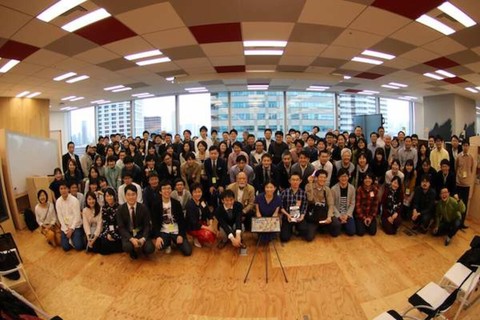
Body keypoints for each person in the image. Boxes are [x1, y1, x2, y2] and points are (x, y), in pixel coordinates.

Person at [151, 181, 192, 256]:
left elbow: (182, 221)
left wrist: (181, 234)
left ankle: (174, 241)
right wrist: (158, 237)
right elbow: (155, 223)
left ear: (171, 190)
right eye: (164, 189)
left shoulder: (176, 203)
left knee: (187, 251)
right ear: (160, 191)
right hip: (164, 231)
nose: (166, 191)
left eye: (169, 188)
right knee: (160, 247)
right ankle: (168, 243)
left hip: (176, 231)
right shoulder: (156, 205)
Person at [116, 184, 155, 259]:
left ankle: (143, 248)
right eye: (128, 195)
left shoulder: (143, 208)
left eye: (133, 194)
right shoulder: (120, 209)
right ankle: (132, 250)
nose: (131, 197)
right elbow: (121, 228)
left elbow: (147, 225)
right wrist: (131, 239)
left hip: (141, 232)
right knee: (127, 247)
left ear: (137, 195)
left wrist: (143, 238)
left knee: (150, 249)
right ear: (125, 196)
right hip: (129, 233)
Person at [305, 170, 336, 240]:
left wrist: (329, 217)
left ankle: (321, 227)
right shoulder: (308, 186)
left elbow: (331, 204)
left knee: (336, 228)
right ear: (316, 178)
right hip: (313, 215)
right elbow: (310, 199)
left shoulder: (327, 189)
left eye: (324, 177)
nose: (323, 179)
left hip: (323, 214)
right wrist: (310, 183)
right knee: (309, 237)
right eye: (321, 177)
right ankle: (317, 227)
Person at [56, 181, 85, 251]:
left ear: (68, 189)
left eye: (65, 188)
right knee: (65, 248)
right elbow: (60, 216)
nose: (63, 190)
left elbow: (77, 216)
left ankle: (78, 236)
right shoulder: (58, 201)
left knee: (79, 247)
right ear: (59, 190)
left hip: (75, 226)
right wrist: (66, 230)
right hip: (65, 227)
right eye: (61, 188)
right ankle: (72, 238)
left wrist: (71, 229)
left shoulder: (74, 200)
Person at [185, 183, 216, 248]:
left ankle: (199, 237)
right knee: (208, 234)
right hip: (192, 227)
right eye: (195, 192)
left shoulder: (202, 201)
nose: (197, 194)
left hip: (201, 223)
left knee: (214, 234)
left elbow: (209, 213)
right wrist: (209, 228)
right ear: (191, 193)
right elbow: (194, 223)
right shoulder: (189, 205)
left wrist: (211, 224)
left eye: (199, 192)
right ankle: (195, 237)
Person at [279, 173, 308, 242]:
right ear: (289, 181)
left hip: (299, 217)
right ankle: (290, 229)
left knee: (305, 233)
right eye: (293, 180)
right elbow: (281, 206)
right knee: (284, 238)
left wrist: (302, 217)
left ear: (300, 181)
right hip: (288, 217)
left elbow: (304, 206)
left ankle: (297, 228)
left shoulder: (303, 193)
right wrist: (287, 215)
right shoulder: (284, 192)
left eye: (297, 180)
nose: (295, 182)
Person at [330, 168, 356, 236]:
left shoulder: (352, 188)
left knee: (351, 232)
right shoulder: (333, 189)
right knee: (335, 233)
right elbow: (332, 204)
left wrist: (347, 215)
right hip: (337, 213)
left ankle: (345, 224)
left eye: (345, 176)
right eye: (342, 176)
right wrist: (339, 216)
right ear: (338, 178)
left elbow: (353, 203)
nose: (344, 178)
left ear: (348, 177)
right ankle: (341, 224)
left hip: (347, 214)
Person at [455, 139, 474, 229]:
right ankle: (457, 222)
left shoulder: (471, 157)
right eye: (464, 145)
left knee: (465, 204)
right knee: (458, 203)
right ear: (461, 146)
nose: (465, 147)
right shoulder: (458, 157)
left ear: (469, 146)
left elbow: (471, 168)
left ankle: (462, 222)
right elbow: (456, 168)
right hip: (459, 184)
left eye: (467, 145)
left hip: (466, 185)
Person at [99, 187, 123, 255]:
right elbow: (105, 223)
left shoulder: (120, 207)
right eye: (107, 196)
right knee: (102, 242)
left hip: (118, 230)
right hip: (108, 230)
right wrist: (109, 233)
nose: (109, 198)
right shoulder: (104, 208)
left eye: (110, 195)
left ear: (114, 196)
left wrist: (112, 234)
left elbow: (120, 224)